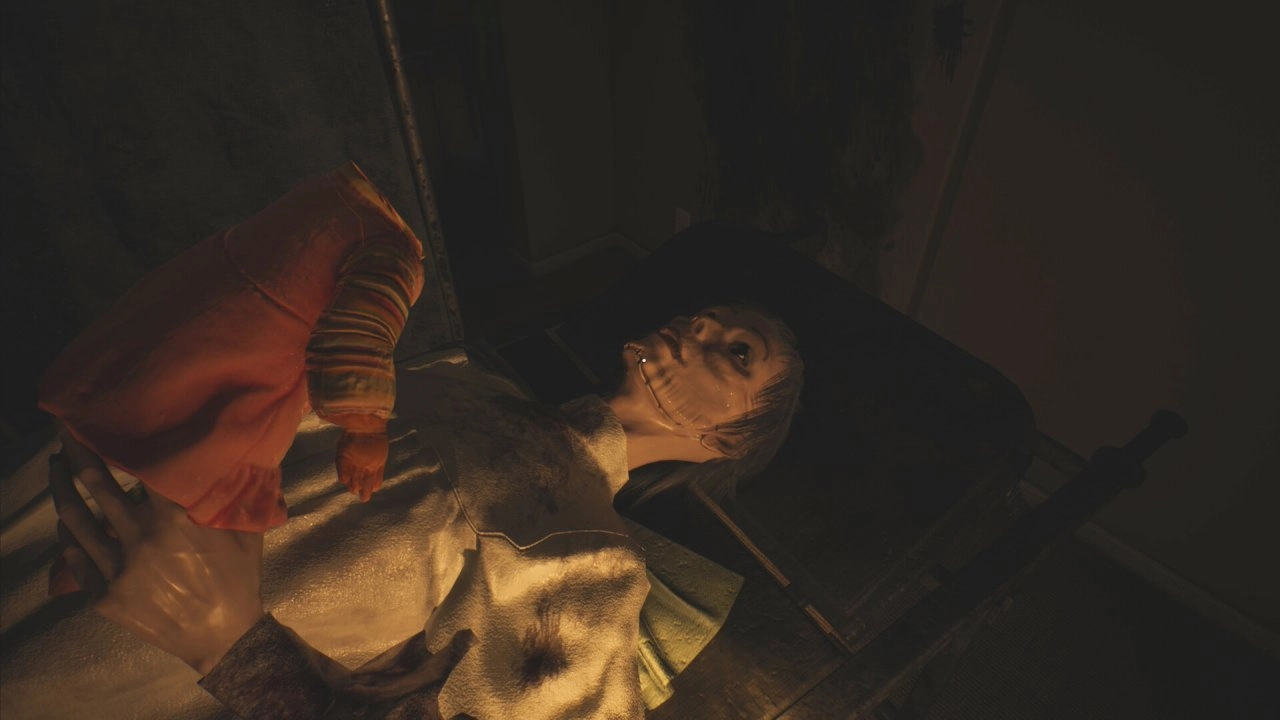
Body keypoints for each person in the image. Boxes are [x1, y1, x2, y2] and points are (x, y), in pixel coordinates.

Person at [43, 304, 804, 718]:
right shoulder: (471, 382)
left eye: (739, 352)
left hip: (103, 655)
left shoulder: (592, 561)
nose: (699, 328)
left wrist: (239, 654)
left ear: (728, 441)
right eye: (707, 318)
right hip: (70, 504)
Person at [40, 162, 426, 538]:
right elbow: (355, 333)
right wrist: (366, 428)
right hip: (234, 366)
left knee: (127, 424)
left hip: (188, 328)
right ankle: (107, 542)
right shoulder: (391, 251)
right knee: (190, 475)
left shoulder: (339, 204)